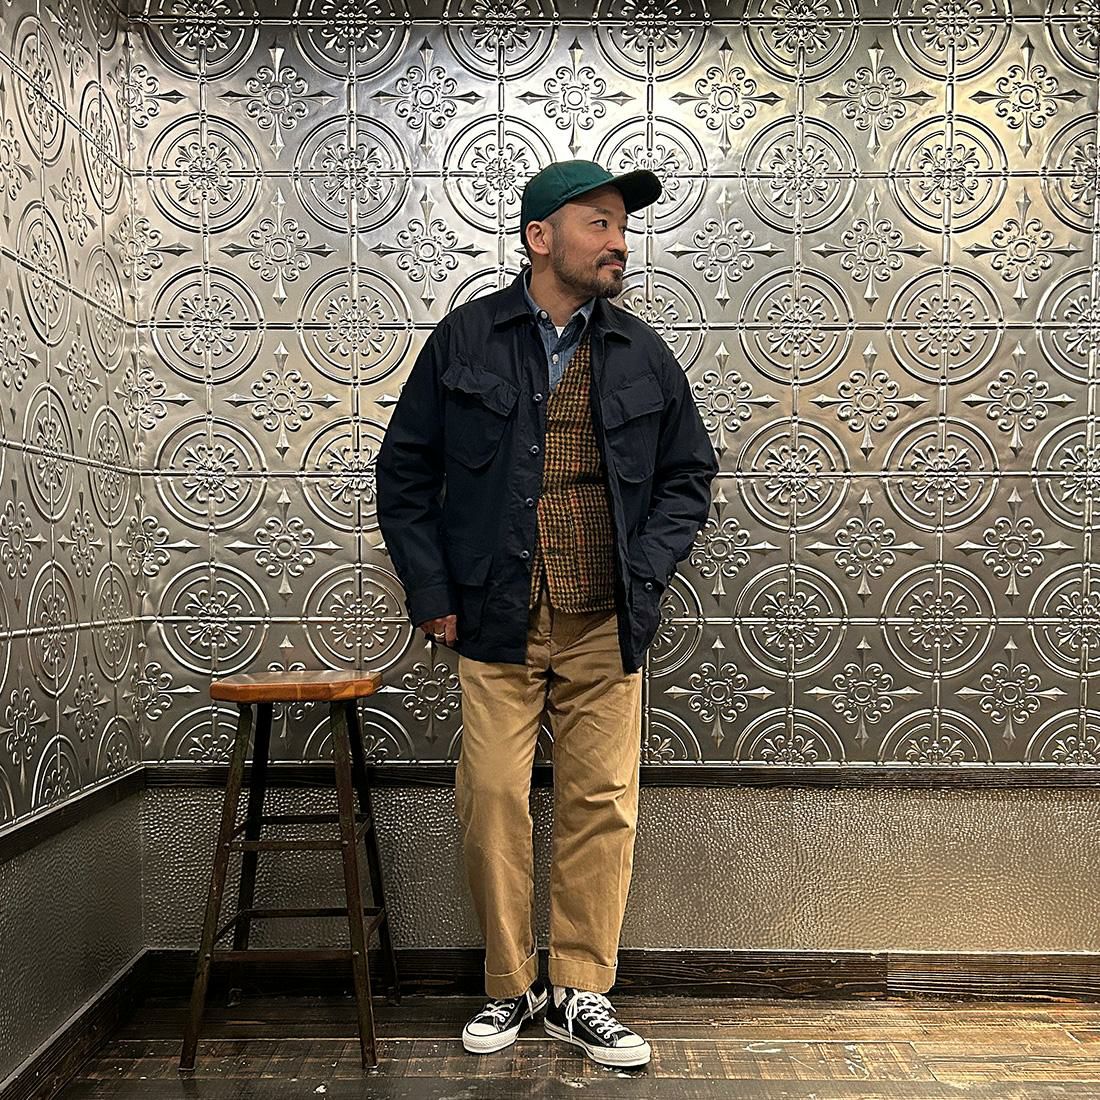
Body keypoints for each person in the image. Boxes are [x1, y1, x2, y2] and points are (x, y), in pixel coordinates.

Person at [376, 159, 718, 1069]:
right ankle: (510, 982)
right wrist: (432, 594)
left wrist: (646, 570)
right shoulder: (466, 339)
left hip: (606, 618)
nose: (619, 242)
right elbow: (405, 474)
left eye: (622, 226)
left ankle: (581, 991)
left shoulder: (642, 351)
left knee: (601, 802)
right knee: (492, 797)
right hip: (495, 616)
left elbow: (689, 475)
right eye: (600, 223)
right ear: (540, 238)